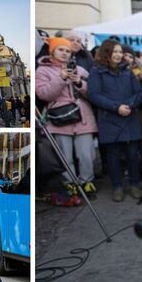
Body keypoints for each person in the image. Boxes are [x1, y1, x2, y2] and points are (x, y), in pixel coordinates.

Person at [36, 37, 98, 200]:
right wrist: (61, 78)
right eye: (61, 49)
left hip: (82, 117)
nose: (64, 53)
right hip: (59, 119)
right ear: (52, 51)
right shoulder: (42, 70)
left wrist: (79, 83)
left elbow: (93, 92)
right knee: (65, 156)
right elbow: (44, 94)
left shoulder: (80, 70)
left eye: (67, 50)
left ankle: (87, 182)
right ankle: (70, 184)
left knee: (86, 155)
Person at [88, 39, 142, 202]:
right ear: (107, 53)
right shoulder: (96, 72)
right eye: (116, 51)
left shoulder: (128, 71)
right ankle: (117, 186)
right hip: (110, 119)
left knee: (133, 155)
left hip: (130, 117)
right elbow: (94, 95)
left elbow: (139, 92)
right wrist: (116, 107)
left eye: (121, 52)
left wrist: (129, 105)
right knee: (113, 157)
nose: (119, 55)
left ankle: (134, 184)